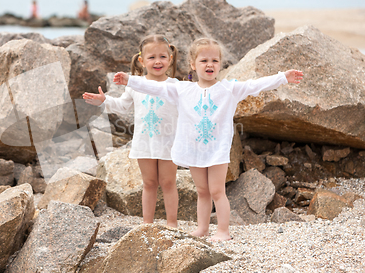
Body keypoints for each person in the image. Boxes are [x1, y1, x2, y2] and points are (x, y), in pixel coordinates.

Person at [113, 38, 304, 241]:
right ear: (193, 65)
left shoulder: (229, 89)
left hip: (217, 150)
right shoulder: (183, 90)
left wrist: (283, 77)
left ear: (220, 64)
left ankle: (223, 231)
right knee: (202, 191)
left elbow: (255, 85)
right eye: (204, 60)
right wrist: (129, 80)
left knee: (217, 191)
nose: (210, 64)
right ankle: (202, 229)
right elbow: (154, 88)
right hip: (194, 150)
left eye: (214, 60)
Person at [83, 35, 180, 228]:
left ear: (170, 59)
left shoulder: (176, 85)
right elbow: (122, 106)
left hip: (169, 142)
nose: (157, 61)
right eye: (152, 57)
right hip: (144, 142)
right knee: (149, 183)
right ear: (142, 61)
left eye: (162, 56)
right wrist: (105, 100)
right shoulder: (134, 85)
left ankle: (172, 223)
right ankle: (147, 224)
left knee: (168, 182)